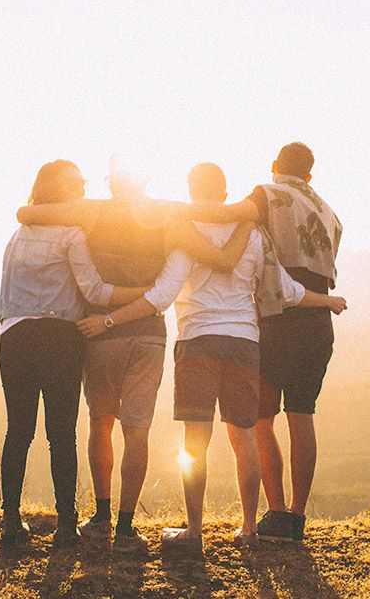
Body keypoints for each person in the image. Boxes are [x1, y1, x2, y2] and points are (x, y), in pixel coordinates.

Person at [76, 163, 346, 554]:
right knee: (244, 439)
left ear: (190, 189)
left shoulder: (185, 231)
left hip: (197, 341)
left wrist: (109, 319)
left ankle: (194, 532)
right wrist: (327, 300)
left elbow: (162, 296)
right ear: (225, 194)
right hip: (244, 344)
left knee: (195, 442)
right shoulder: (253, 234)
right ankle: (249, 529)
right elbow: (285, 290)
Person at [16, 161, 253, 553]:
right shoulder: (168, 214)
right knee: (137, 429)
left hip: (101, 334)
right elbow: (216, 244)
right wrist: (247, 217)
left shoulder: (93, 210)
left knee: (101, 422)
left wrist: (26, 211)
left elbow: (29, 213)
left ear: (112, 182)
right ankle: (126, 528)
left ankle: (102, 516)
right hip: (148, 334)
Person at [176, 143, 343, 543]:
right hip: (317, 321)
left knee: (260, 421)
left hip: (276, 319)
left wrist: (171, 213)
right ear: (310, 174)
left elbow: (225, 214)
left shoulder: (267, 195)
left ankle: (276, 512)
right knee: (302, 416)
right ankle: (296, 520)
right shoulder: (329, 212)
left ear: (274, 167)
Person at [0, 160, 148, 550]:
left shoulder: (18, 235)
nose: (83, 185)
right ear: (59, 190)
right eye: (76, 181)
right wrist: (142, 294)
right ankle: (66, 525)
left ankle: (10, 521)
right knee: (60, 434)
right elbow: (95, 292)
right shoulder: (72, 233)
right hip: (60, 338)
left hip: (14, 337)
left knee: (18, 431)